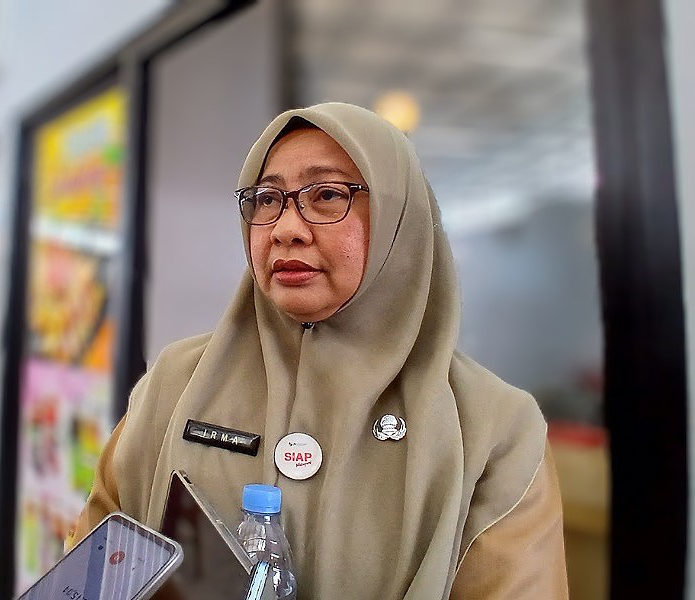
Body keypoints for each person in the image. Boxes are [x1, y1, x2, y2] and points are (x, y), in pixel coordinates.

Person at [70, 102, 568, 598]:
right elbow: (90, 568)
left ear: (399, 220)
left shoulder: (494, 429)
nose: (285, 228)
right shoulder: (175, 381)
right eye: (267, 199)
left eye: (327, 195)